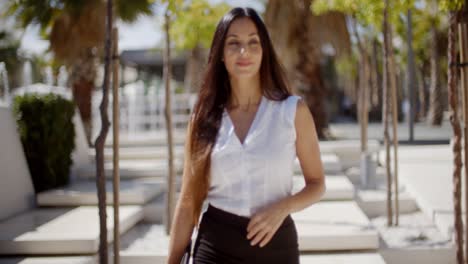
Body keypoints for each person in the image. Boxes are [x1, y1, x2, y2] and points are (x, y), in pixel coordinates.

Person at [168, 7, 326, 264]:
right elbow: (188, 201)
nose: (244, 52)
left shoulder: (292, 111)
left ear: (264, 51)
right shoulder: (203, 118)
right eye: (234, 43)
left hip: (276, 247)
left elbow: (317, 184)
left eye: (253, 42)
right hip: (215, 247)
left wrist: (283, 207)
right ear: (220, 53)